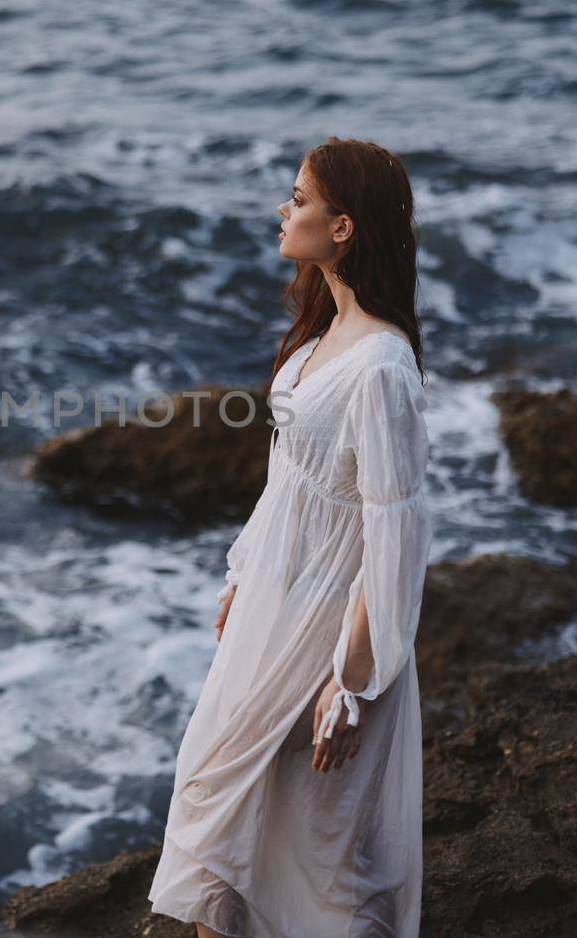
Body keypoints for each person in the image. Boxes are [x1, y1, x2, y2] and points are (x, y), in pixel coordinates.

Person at [147, 138, 436, 938]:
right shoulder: (319, 338)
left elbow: (395, 530)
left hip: (329, 631)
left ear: (342, 226)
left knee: (309, 847)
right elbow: (288, 484)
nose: (285, 209)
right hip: (274, 606)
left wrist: (352, 679)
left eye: (300, 198)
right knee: (221, 806)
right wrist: (243, 574)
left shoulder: (381, 366)